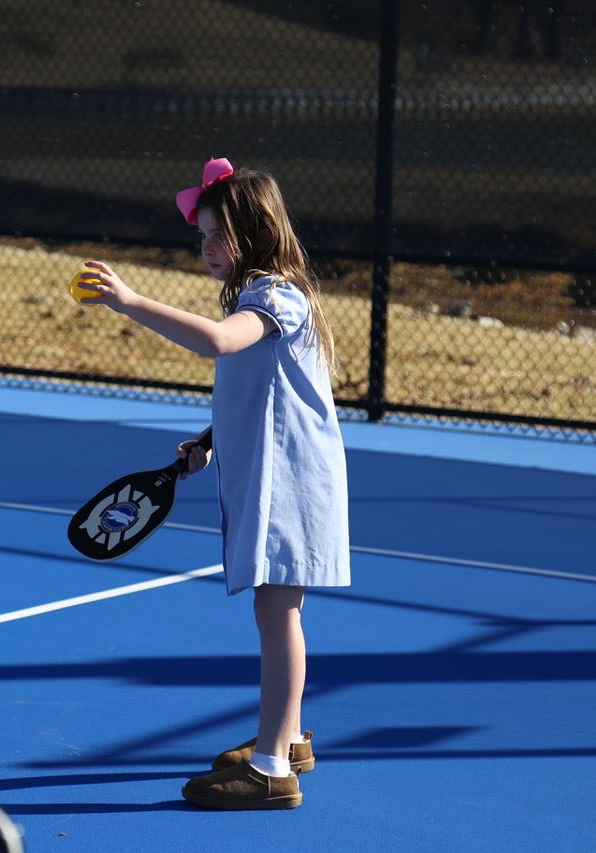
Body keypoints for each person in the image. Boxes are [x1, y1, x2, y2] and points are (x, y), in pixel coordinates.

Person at [77, 158, 351, 810]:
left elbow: (223, 343)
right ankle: (286, 738)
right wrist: (211, 439)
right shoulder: (274, 295)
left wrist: (131, 301)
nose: (204, 249)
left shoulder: (276, 296)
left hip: (291, 485)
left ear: (253, 231)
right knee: (280, 610)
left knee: (275, 610)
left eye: (215, 235)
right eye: (200, 236)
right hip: (277, 476)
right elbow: (261, 389)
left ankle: (269, 768)